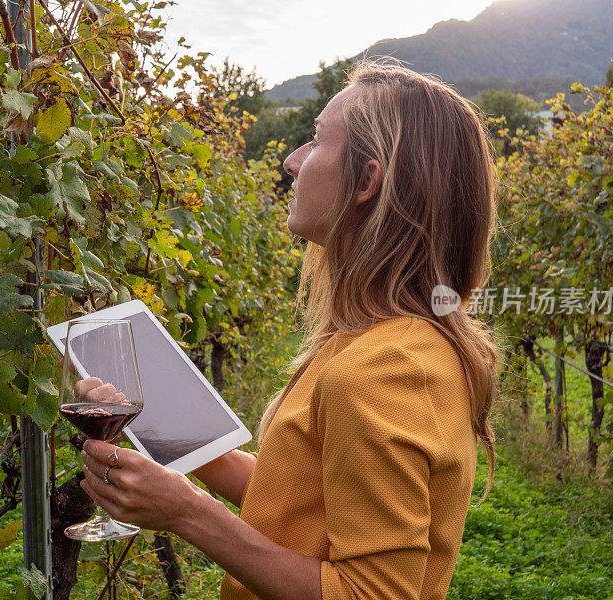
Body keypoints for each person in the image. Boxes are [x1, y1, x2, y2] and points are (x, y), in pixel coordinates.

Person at [79, 60, 501, 600]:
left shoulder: (382, 370)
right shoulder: (387, 340)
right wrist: (157, 417)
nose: (292, 161)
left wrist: (189, 513)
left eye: (316, 141)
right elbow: (307, 499)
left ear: (368, 180)